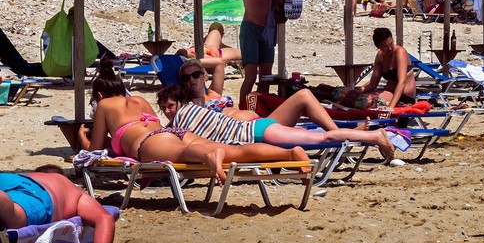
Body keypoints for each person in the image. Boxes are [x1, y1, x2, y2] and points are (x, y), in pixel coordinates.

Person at [86, 58, 308, 184]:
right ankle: (289, 154)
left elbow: (94, 152)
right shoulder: (138, 100)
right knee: (236, 152)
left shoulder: (104, 105)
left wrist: (81, 137)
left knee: (185, 155)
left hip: (151, 143)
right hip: (173, 134)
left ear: (99, 96)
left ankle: (209, 155)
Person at [158, 82, 394, 161]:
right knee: (312, 124)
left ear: (180, 104)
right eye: (164, 108)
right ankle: (358, 134)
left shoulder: (184, 118)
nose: (168, 111)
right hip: (258, 129)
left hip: (258, 132)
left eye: (171, 106)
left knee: (323, 137)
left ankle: (373, 137)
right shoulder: (191, 113)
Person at [240, 0, 291, 110]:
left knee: (266, 76)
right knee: (250, 75)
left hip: (268, 29)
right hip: (251, 28)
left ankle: (261, 109)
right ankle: (242, 108)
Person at [359, 27, 418, 107]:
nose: (390, 48)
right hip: (389, 92)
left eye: (391, 43)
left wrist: (390, 107)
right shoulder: (380, 55)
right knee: (358, 97)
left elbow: (402, 82)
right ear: (378, 47)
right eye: (385, 46)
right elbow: (373, 83)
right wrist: (357, 90)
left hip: (404, 96)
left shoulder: (400, 52)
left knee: (365, 101)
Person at [182, 21, 241, 95]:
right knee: (216, 27)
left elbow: (181, 53)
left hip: (210, 50)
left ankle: (220, 43)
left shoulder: (189, 55)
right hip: (214, 51)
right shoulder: (208, 60)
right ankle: (220, 41)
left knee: (215, 30)